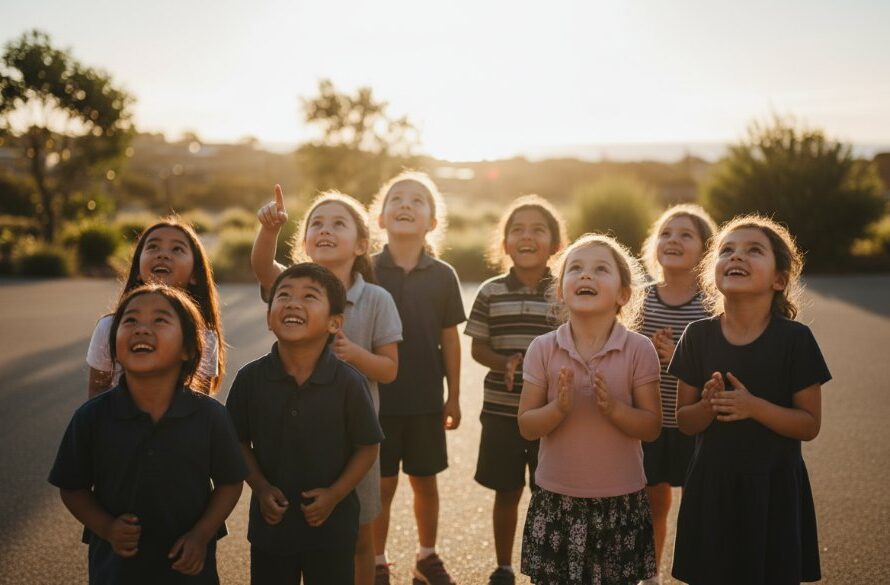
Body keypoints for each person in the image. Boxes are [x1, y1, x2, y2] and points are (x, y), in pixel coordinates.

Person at [251, 186, 402, 585]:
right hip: (292, 437)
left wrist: (354, 354)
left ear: (362, 244)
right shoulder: (292, 284)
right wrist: (269, 230)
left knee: (358, 538)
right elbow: (263, 266)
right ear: (303, 242)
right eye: (316, 222)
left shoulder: (376, 299)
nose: (325, 229)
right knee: (292, 543)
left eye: (339, 223)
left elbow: (389, 370)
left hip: (355, 443)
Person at [49, 283, 246, 584]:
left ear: (188, 349)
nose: (141, 328)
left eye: (160, 320)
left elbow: (230, 483)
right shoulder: (92, 417)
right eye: (130, 320)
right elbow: (71, 487)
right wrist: (107, 528)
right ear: (114, 345)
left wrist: (201, 535)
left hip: (189, 570)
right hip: (116, 571)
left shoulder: (210, 416)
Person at [671, 215, 829, 585]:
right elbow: (684, 421)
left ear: (778, 279)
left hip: (773, 489)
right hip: (712, 488)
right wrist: (707, 407)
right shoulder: (697, 336)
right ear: (713, 273)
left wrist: (753, 407)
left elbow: (809, 425)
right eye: (727, 250)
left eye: (753, 250)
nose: (736, 256)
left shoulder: (795, 340)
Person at [226, 263, 384, 585]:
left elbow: (368, 446)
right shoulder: (251, 379)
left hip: (332, 527)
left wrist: (335, 494)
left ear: (334, 323)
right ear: (270, 318)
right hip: (271, 528)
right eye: (283, 295)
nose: (293, 303)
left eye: (309, 296)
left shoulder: (348, 382)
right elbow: (237, 442)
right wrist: (260, 487)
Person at [518, 233, 661, 585]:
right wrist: (558, 408)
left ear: (624, 294)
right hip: (557, 502)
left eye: (601, 269)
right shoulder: (543, 348)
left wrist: (614, 409)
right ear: (560, 290)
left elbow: (651, 426)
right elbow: (527, 425)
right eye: (576, 269)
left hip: (620, 504)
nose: (586, 276)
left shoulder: (639, 349)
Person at [368, 171, 465, 585]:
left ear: (432, 222)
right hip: (377, 401)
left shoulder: (443, 275)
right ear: (380, 218)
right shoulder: (366, 270)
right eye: (397, 199)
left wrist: (455, 395)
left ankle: (426, 557)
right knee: (382, 486)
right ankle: (376, 560)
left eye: (417, 200)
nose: (406, 205)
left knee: (425, 482)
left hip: (427, 400)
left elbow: (450, 340)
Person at [464, 194, 567, 585]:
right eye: (517, 229)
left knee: (549, 495)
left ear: (555, 245)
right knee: (505, 492)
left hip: (551, 415)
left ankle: (546, 567)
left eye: (538, 229)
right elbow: (477, 346)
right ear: (504, 242)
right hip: (501, 411)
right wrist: (501, 362)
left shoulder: (562, 292)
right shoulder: (490, 291)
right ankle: (504, 566)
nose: (527, 236)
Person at [636, 204, 716, 583]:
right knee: (654, 502)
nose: (673, 240)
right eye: (666, 233)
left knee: (701, 505)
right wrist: (647, 353)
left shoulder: (713, 304)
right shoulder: (640, 299)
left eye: (686, 235)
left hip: (696, 421)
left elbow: (720, 363)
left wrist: (678, 360)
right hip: (651, 422)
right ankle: (651, 575)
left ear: (705, 250)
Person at [87, 217, 225, 397]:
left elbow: (202, 407)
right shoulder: (109, 327)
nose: (163, 254)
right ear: (137, 270)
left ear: (195, 275)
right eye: (153, 247)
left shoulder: (204, 336)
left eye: (177, 249)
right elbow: (96, 393)